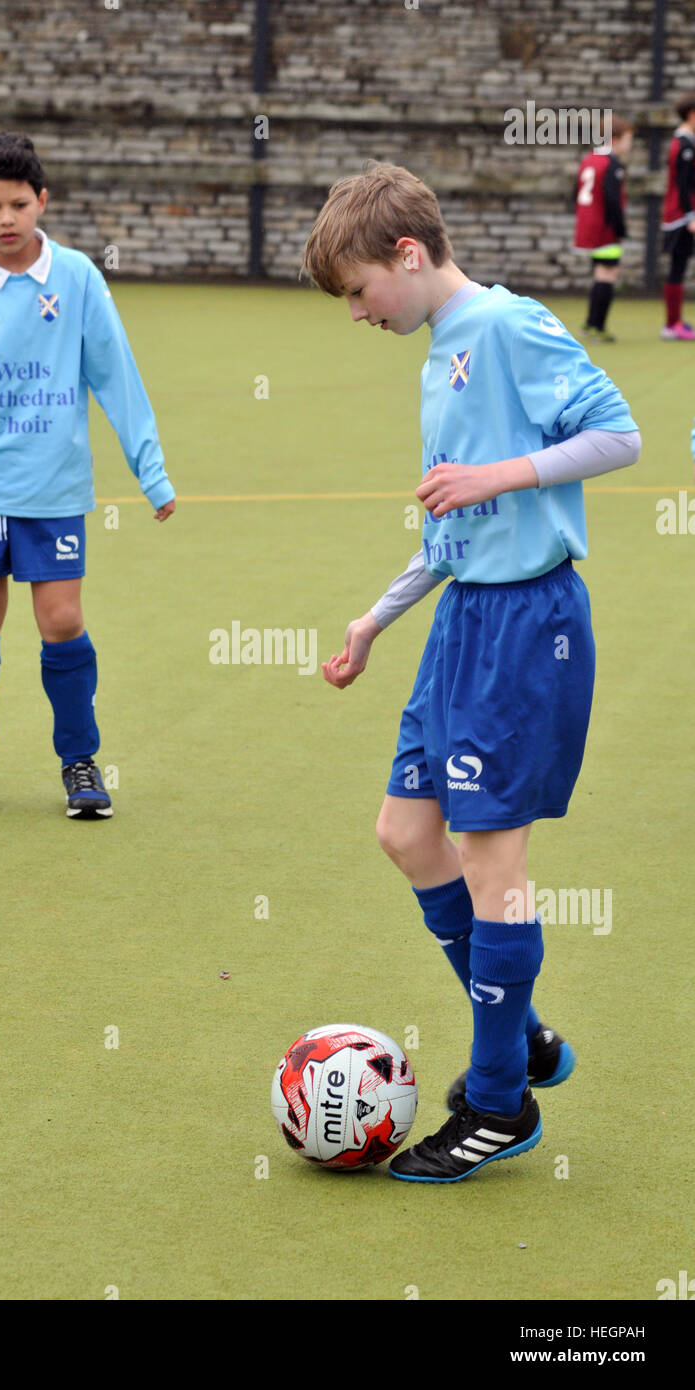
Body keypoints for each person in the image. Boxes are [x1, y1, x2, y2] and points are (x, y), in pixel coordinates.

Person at [301, 162, 640, 1183]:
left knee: (493, 867)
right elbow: (450, 524)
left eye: (358, 292)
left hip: (526, 627)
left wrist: (503, 470)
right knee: (405, 834)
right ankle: (523, 1037)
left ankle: (499, 1103)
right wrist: (373, 619)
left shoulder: (505, 327)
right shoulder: (434, 355)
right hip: (460, 626)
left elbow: (617, 433)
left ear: (406, 256)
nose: (356, 312)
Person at [0, 131, 176, 818]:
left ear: (42, 202)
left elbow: (114, 374)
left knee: (61, 621)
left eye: (20, 205)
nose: (7, 219)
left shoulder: (79, 278)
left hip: (53, 490)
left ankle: (80, 763)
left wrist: (151, 473)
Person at [574, 115, 633, 342]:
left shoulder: (589, 159)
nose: (630, 145)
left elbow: (575, 193)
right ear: (615, 139)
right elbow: (612, 200)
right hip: (605, 228)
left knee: (601, 273)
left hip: (588, 226)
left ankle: (591, 324)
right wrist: (620, 229)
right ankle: (596, 326)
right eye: (629, 139)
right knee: (607, 275)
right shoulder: (612, 163)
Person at [660, 94, 695, 340]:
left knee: (679, 267)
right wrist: (690, 215)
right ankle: (672, 324)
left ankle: (675, 321)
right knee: (677, 267)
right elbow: (683, 185)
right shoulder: (683, 145)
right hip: (681, 217)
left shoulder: (686, 143)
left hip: (682, 215)